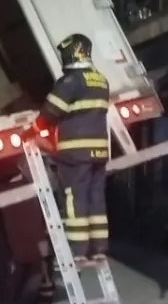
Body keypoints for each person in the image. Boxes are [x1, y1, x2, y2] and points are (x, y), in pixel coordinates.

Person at [32, 33, 111, 263]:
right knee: (96, 198)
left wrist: (34, 130)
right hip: (99, 151)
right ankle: (99, 249)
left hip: (76, 152)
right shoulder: (101, 79)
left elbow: (50, 112)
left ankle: (77, 251)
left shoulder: (70, 82)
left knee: (74, 198)